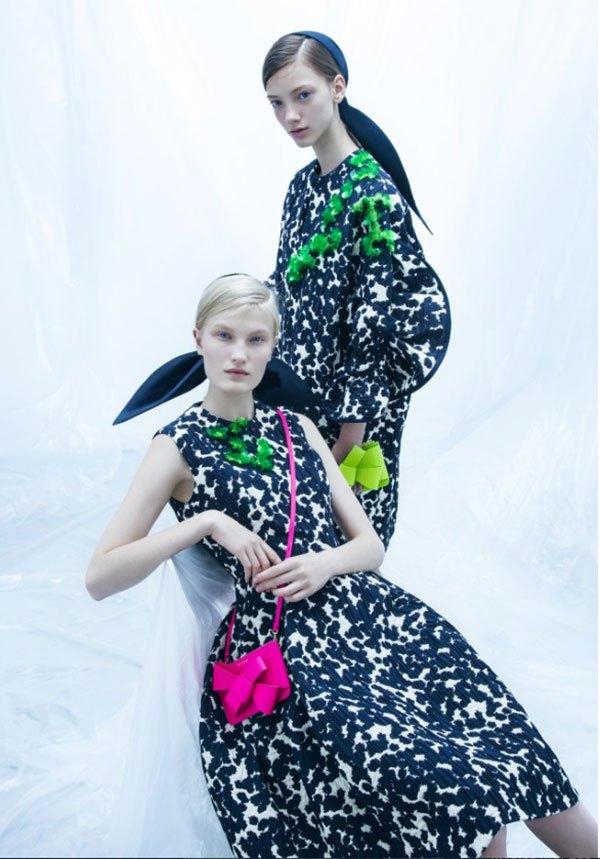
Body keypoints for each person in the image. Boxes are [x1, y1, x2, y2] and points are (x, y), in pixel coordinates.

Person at [87, 273, 597, 859]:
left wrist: (324, 565)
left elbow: (369, 547)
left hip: (374, 622)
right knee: (459, 796)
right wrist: (204, 523)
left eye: (255, 339)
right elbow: (100, 576)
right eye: (224, 336)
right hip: (282, 649)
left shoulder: (297, 428)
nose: (238, 354)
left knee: (513, 750)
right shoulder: (176, 445)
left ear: (273, 346)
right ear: (198, 338)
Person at [262, 30, 451, 551]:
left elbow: (376, 323)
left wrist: (350, 439)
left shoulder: (374, 194)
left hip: (356, 417)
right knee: (290, 547)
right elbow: (285, 290)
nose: (290, 116)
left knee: (346, 550)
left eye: (303, 95)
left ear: (337, 87)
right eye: (276, 103)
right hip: (299, 401)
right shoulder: (301, 189)